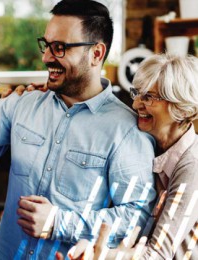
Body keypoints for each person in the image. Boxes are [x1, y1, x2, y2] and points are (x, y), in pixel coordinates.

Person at [0, 0, 156, 258]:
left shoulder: (126, 130)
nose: (46, 57)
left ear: (96, 54)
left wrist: (60, 222)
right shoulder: (22, 104)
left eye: (59, 48)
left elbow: (138, 216)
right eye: (46, 45)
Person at [60, 53, 198, 260]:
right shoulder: (148, 144)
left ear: (181, 107)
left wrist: (97, 255)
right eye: (137, 93)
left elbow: (158, 254)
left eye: (149, 97)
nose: (136, 105)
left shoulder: (192, 166)